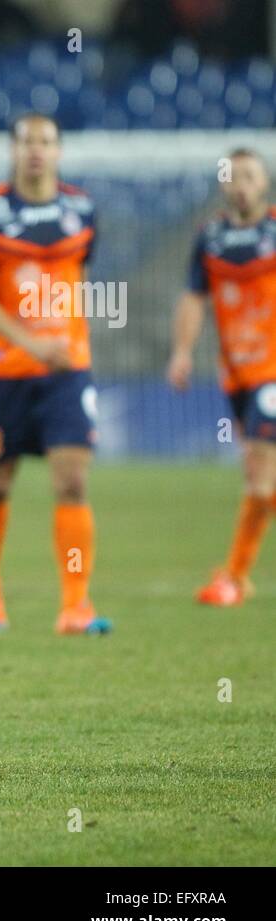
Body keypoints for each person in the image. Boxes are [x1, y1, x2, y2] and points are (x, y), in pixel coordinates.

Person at [0, 113, 111, 635]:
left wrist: (66, 341)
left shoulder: (82, 210)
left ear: (59, 151)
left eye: (46, 141)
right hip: (4, 371)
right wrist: (33, 344)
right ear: (13, 150)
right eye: (27, 142)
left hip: (67, 371)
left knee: (72, 480)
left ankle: (75, 605)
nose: (37, 150)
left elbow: (77, 277)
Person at [167, 148, 276, 606]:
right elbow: (194, 298)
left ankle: (233, 575)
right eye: (233, 176)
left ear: (264, 183)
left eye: (250, 176)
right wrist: (182, 352)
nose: (241, 184)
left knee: (260, 466)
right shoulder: (209, 238)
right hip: (236, 374)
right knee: (258, 474)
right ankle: (237, 573)